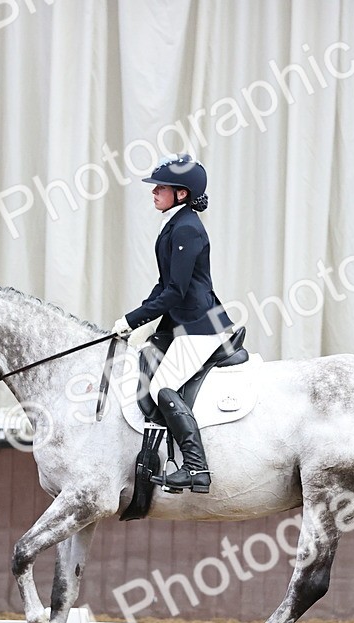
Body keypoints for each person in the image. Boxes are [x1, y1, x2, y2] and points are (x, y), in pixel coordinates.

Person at [111, 154, 234, 495]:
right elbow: (165, 285)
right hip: (180, 323)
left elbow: (177, 292)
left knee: (160, 387)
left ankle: (196, 468)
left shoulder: (188, 229)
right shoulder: (177, 224)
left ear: (181, 194)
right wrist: (133, 318)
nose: (154, 193)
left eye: (160, 188)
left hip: (199, 326)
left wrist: (134, 319)